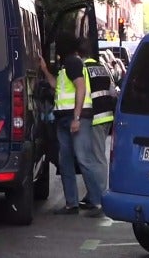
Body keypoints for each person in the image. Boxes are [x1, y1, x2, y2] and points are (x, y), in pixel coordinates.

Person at [39, 32, 103, 217]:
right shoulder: (65, 66)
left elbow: (80, 88)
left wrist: (76, 117)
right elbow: (56, 86)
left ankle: (96, 201)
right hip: (64, 118)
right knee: (65, 160)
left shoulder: (73, 62)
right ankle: (71, 204)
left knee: (83, 159)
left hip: (77, 118)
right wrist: (44, 70)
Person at [77, 38, 117, 215]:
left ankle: (100, 198)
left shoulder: (82, 69)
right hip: (107, 116)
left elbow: (81, 93)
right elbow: (112, 92)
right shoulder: (103, 67)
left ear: (79, 54)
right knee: (95, 157)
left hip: (93, 118)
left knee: (96, 158)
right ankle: (93, 194)